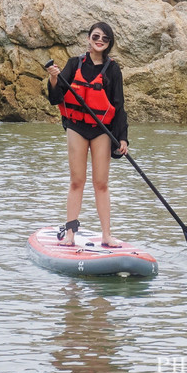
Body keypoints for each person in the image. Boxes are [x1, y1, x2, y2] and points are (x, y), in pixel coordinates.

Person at [46, 21, 128, 247]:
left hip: (101, 129)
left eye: (105, 38)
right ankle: (70, 234)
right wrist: (54, 78)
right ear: (88, 39)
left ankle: (107, 236)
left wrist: (122, 138)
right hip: (76, 127)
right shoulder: (74, 64)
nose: (100, 40)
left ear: (109, 43)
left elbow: (119, 106)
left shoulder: (113, 69)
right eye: (96, 36)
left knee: (101, 183)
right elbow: (56, 98)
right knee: (77, 181)